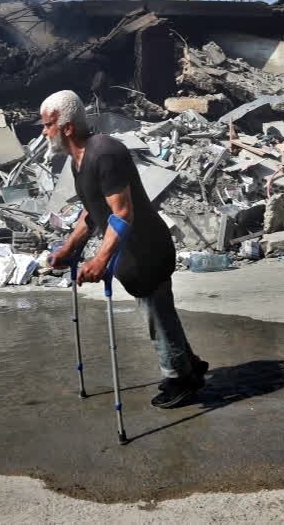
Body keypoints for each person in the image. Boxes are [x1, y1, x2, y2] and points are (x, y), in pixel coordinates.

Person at [41, 90, 208, 408]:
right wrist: (69, 249)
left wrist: (100, 258)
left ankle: (179, 378)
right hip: (130, 252)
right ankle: (190, 364)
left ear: (66, 127)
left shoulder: (104, 153)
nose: (43, 132)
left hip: (145, 250)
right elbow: (92, 211)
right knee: (160, 312)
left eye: (47, 124)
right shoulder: (79, 161)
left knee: (156, 316)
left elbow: (122, 213)